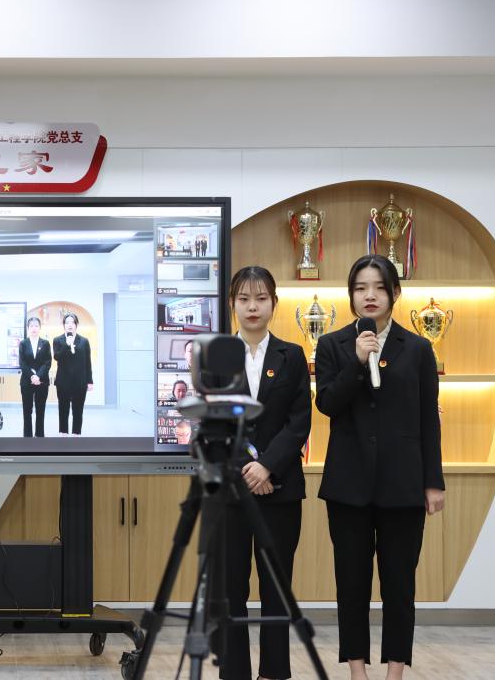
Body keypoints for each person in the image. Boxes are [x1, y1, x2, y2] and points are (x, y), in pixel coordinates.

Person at [315, 254, 444, 680]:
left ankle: (395, 671)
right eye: (360, 288)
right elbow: (328, 404)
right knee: (351, 585)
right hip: (348, 485)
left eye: (379, 287)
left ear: (394, 293)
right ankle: (357, 670)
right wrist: (356, 361)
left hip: (403, 484)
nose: (369, 295)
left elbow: (428, 419)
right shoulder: (332, 345)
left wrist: (433, 482)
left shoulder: (419, 348)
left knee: (399, 586)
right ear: (351, 295)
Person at [219, 266, 311, 680]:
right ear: (232, 304)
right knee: (231, 589)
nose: (252, 307)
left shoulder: (292, 355)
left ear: (274, 302)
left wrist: (267, 465)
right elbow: (213, 422)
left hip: (280, 489)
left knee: (276, 589)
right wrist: (246, 469)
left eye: (260, 298)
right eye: (244, 299)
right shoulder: (216, 356)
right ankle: (234, 672)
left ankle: (274, 672)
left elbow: (299, 421)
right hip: (231, 492)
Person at [52, 313, 93, 436]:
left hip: (80, 382)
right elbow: (57, 357)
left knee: (78, 409)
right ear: (64, 325)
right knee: (63, 409)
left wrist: (90, 381)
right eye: (67, 322)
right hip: (63, 382)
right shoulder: (58, 340)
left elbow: (88, 362)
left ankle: (76, 433)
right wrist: (66, 344)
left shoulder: (84, 341)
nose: (70, 325)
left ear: (76, 325)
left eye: (72, 322)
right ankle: (63, 432)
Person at [18, 317, 52, 437]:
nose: (34, 328)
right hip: (27, 381)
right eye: (31, 326)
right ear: (28, 328)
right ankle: (27, 436)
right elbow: (22, 363)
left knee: (40, 410)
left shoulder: (45, 343)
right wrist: (32, 376)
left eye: (36, 326)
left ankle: (39, 435)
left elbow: (47, 362)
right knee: (27, 411)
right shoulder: (23, 343)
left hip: (42, 382)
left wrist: (38, 376)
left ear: (40, 328)